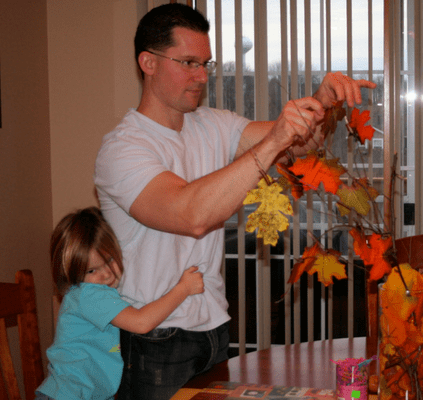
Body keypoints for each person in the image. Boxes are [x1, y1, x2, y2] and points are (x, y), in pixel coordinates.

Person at [94, 3, 377, 399]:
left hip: (213, 327)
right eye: (188, 62)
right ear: (148, 62)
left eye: (205, 63)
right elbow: (190, 214)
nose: (201, 76)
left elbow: (302, 143)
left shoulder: (212, 123)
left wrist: (322, 101)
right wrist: (276, 140)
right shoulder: (122, 149)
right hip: (154, 338)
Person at [35, 207, 204, 400]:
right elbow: (141, 323)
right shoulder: (89, 295)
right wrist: (183, 289)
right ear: (72, 273)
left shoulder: (96, 293)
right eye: (91, 271)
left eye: (110, 260)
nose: (106, 274)